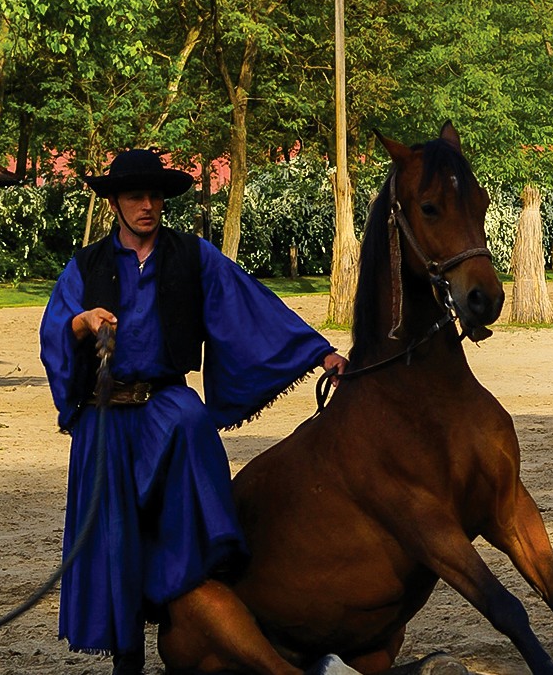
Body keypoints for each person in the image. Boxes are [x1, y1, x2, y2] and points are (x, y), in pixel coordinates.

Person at [39, 148, 347, 674]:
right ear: (115, 201)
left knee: (190, 425)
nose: (148, 205)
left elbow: (247, 304)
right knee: (115, 540)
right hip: (105, 419)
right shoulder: (85, 265)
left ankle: (205, 603)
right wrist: (81, 323)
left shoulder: (192, 255)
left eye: (155, 195)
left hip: (167, 409)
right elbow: (52, 331)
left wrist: (317, 351)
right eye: (136, 195)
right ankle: (127, 660)